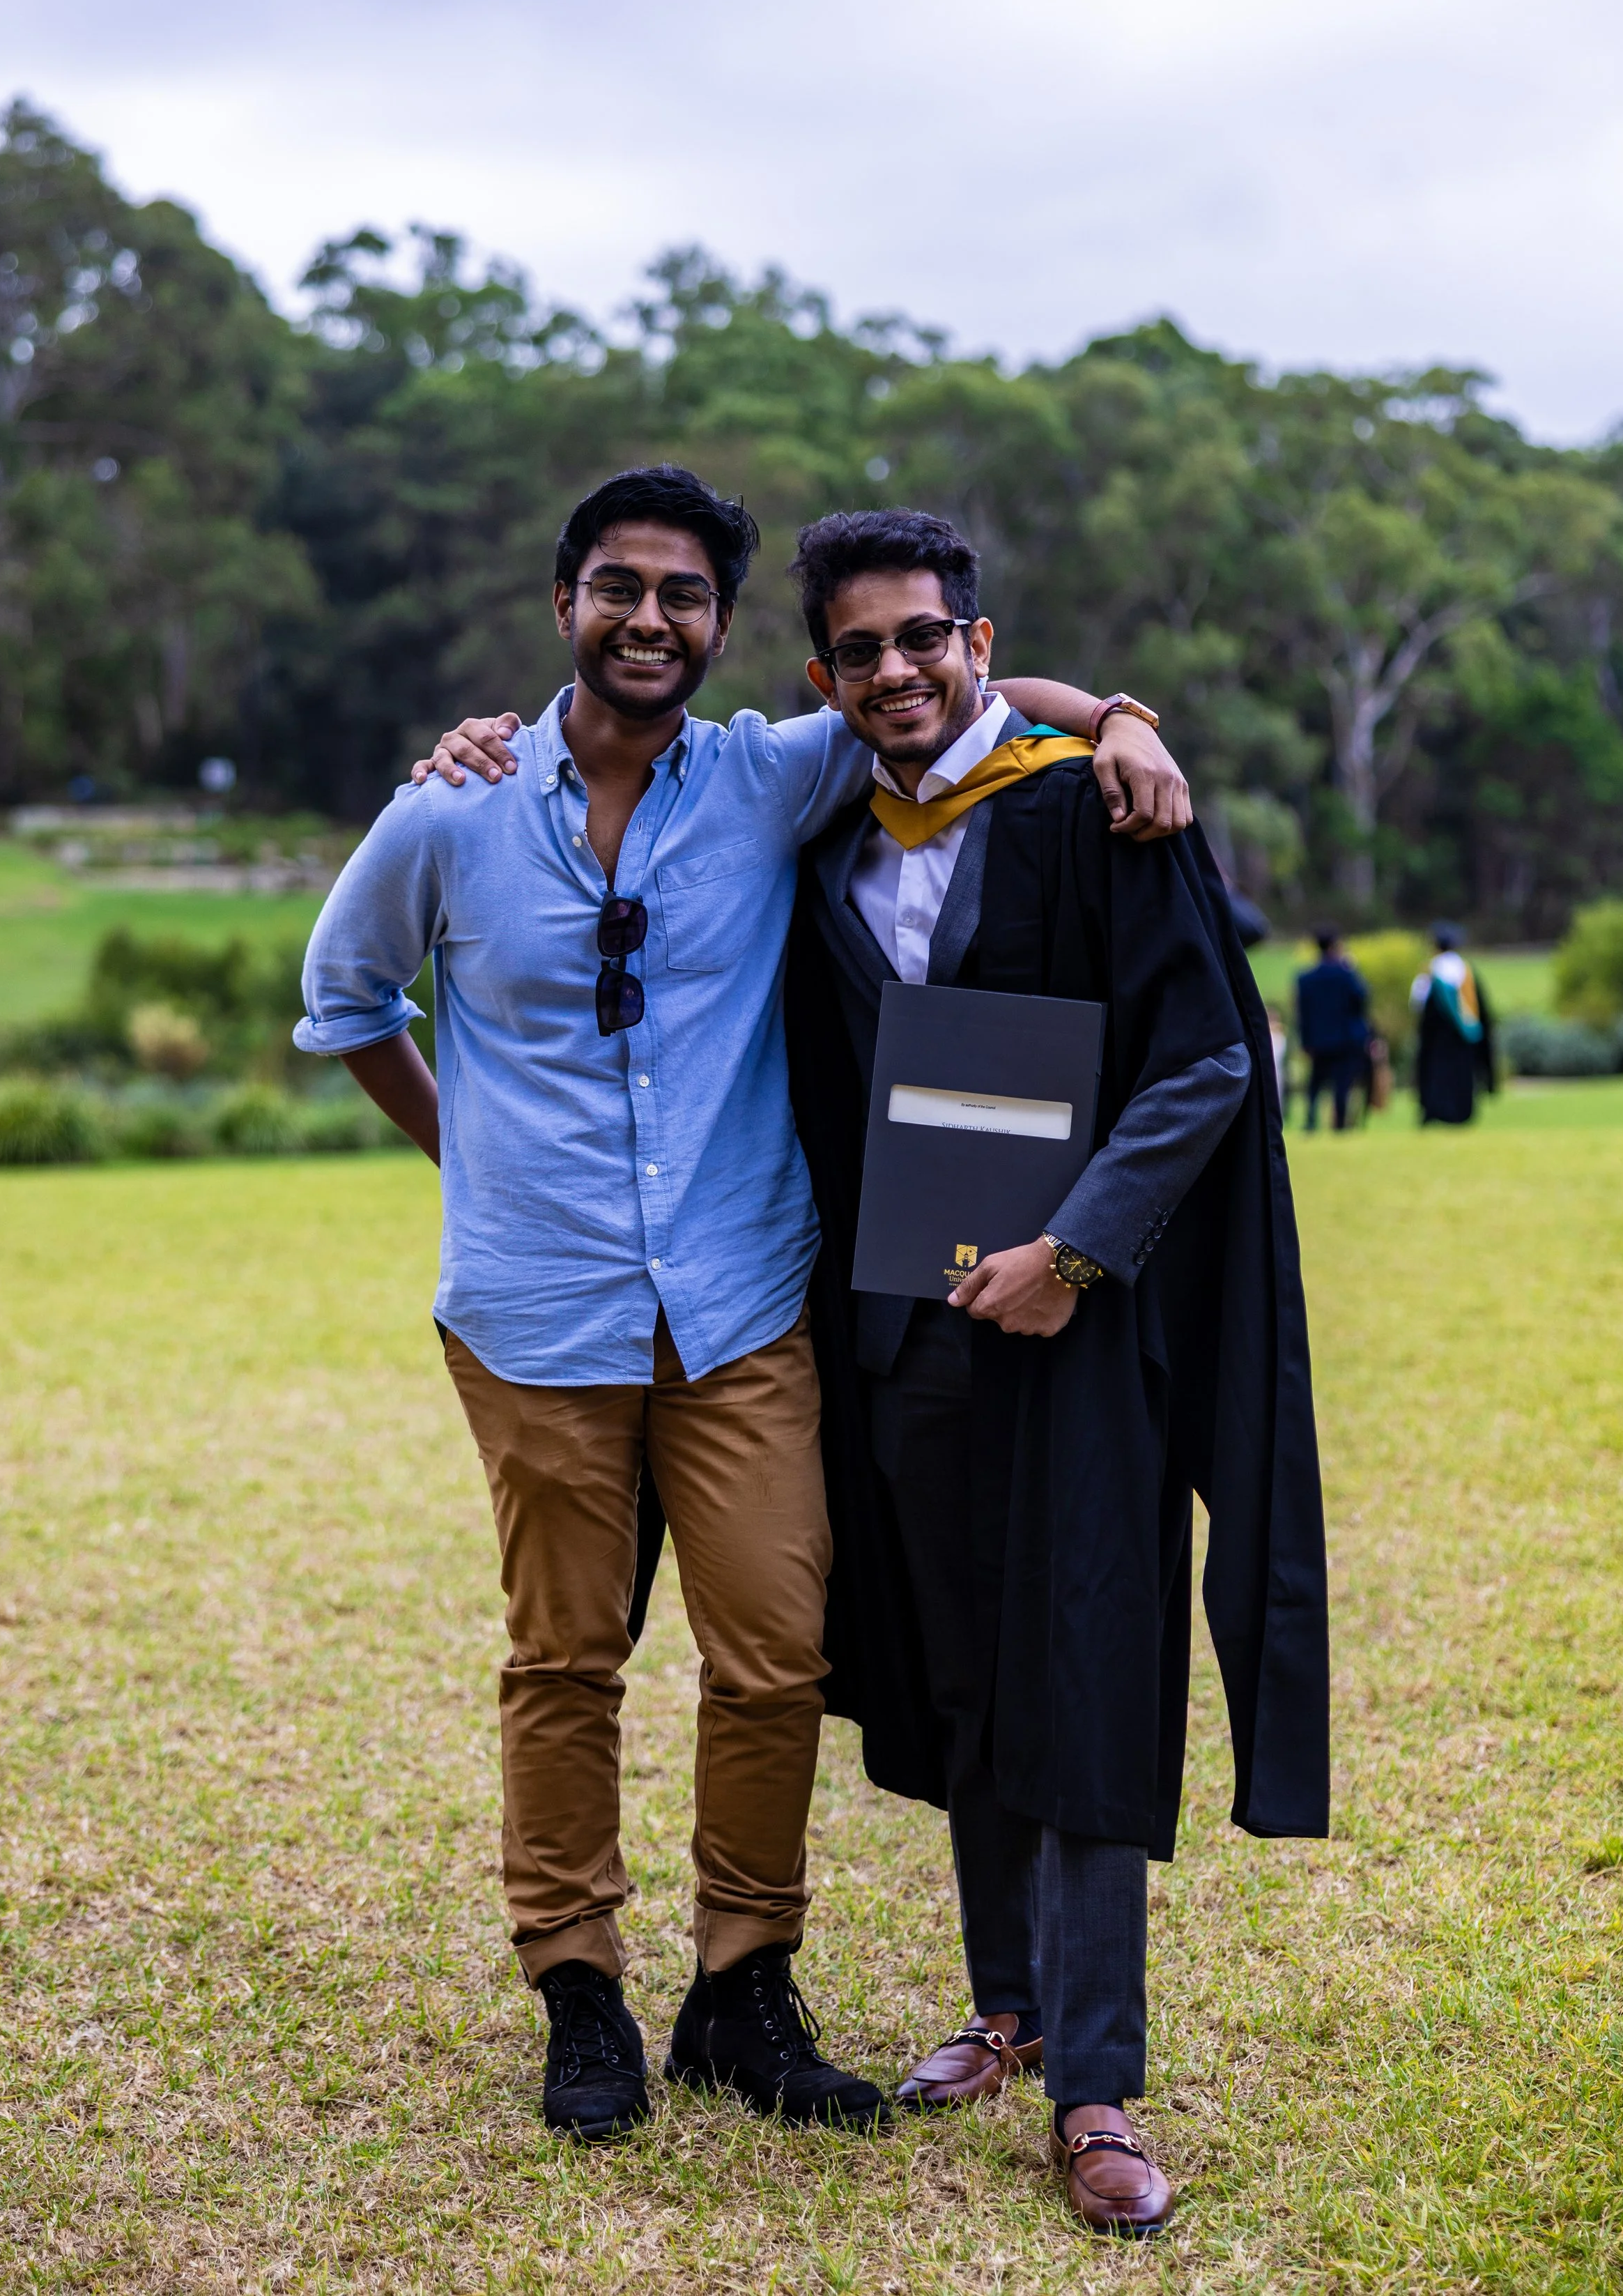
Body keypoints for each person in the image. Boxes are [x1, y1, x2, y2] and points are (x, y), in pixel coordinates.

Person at [298, 463, 1192, 2145]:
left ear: (720, 630)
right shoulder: (449, 812)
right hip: (536, 1313)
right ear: (563, 603)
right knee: (565, 1656)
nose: (648, 619)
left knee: (776, 1654)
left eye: (683, 596)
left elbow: (952, 690)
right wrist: (472, 1156)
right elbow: (344, 995)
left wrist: (1123, 716)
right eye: (617, 588)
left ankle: (741, 1986)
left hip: (737, 1304)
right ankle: (579, 1985)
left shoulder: (773, 771)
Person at [782, 510, 1329, 2237]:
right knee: (966, 1673)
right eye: (859, 648)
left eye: (922, 636)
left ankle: (1094, 2082)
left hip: (1079, 1334)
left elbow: (1205, 1060)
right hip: (905, 1331)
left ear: (978, 642)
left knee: (1083, 1670)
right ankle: (1003, 2002)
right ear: (822, 676)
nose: (894, 668)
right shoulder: (822, 829)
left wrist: (1072, 1251)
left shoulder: (1092, 809)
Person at [1413, 925, 1495, 1124]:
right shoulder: (1466, 970)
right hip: (1463, 1036)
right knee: (1462, 1074)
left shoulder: (1431, 971)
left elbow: (1417, 1002)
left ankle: (1436, 1111)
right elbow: (1480, 1007)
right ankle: (1462, 1112)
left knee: (1437, 1072)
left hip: (1437, 1036)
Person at [1294, 932, 1371, 1131]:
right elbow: (1361, 999)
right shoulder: (1346, 975)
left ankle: (1311, 1120)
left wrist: (1305, 1040)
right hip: (1345, 1038)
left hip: (1318, 1039)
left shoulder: (1306, 978)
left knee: (1315, 1082)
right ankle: (1340, 1123)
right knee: (1342, 1082)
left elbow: (1302, 1013)